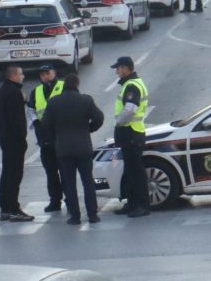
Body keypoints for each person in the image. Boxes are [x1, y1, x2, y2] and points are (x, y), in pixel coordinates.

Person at [41, 74, 104, 225]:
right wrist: (89, 129)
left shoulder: (54, 102)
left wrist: (55, 138)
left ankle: (75, 216)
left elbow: (45, 124)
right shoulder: (86, 100)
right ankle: (92, 214)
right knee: (88, 181)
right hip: (83, 147)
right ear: (77, 84)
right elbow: (99, 118)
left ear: (64, 85)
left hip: (64, 149)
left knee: (69, 183)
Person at [110, 56, 151, 218]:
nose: (116, 71)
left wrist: (119, 123)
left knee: (136, 172)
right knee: (130, 171)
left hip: (131, 132)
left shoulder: (132, 85)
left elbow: (130, 109)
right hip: (132, 133)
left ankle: (142, 205)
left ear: (126, 68)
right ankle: (132, 203)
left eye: (118, 68)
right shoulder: (131, 83)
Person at [0, 66, 35, 222]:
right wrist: (21, 138)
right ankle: (14, 209)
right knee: (15, 174)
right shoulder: (13, 93)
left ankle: (5, 208)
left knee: (7, 173)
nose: (23, 76)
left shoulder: (3, 90)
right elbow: (15, 119)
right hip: (14, 140)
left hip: (5, 138)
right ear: (13, 76)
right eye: (20, 74)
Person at [26, 64, 64, 213]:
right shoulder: (36, 91)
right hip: (45, 139)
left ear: (55, 72)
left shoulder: (64, 86)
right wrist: (35, 122)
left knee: (65, 171)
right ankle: (55, 200)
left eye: (47, 73)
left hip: (62, 136)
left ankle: (70, 199)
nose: (44, 76)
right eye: (42, 74)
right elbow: (30, 109)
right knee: (51, 172)